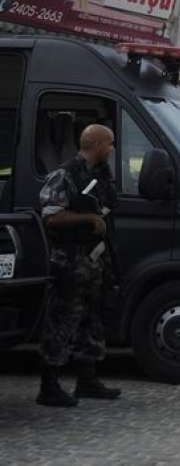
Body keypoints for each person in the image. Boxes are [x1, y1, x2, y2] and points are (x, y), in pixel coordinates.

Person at [36, 124, 121, 407]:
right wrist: (87, 220)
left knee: (90, 319)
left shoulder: (99, 175)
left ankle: (87, 379)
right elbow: (51, 217)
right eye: (109, 143)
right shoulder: (65, 175)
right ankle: (49, 385)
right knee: (62, 320)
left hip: (92, 260)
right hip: (68, 261)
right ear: (96, 144)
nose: (112, 149)